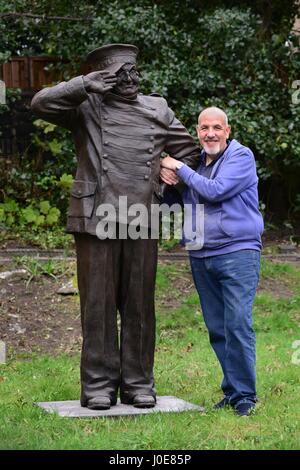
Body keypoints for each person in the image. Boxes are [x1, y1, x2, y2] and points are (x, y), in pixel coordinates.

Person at [31, 44, 199, 410]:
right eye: (120, 73)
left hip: (141, 215)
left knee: (139, 304)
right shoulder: (86, 106)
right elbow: (41, 103)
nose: (130, 78)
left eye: (134, 71)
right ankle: (98, 386)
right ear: (103, 76)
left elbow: (188, 153)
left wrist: (162, 174)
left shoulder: (158, 109)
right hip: (96, 215)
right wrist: (85, 83)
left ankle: (139, 382)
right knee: (98, 305)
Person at [160, 107, 264, 416]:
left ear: (227, 131)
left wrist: (178, 167)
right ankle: (233, 391)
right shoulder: (199, 165)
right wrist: (166, 177)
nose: (211, 133)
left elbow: (215, 192)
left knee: (237, 325)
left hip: (237, 252)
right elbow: (178, 201)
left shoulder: (240, 157)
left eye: (217, 127)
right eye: (204, 128)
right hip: (201, 253)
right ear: (197, 132)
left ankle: (246, 397)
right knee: (217, 328)